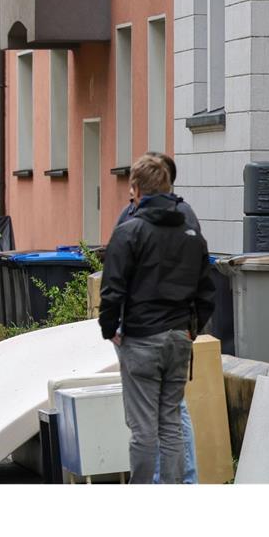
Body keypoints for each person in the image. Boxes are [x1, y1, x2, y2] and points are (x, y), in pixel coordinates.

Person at [100, 154, 215, 483]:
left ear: (136, 189)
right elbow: (207, 290)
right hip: (178, 338)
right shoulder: (191, 233)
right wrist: (192, 329)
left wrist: (110, 329)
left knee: (143, 429)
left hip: (141, 338)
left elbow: (112, 288)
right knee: (171, 422)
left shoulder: (130, 230)